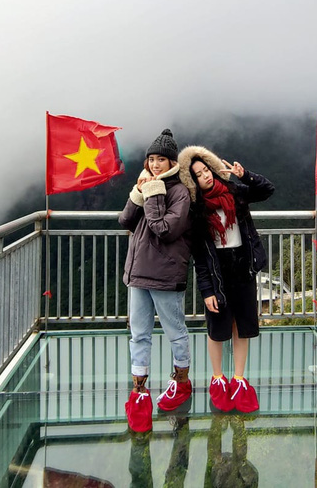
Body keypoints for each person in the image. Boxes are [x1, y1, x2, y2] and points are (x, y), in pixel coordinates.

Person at [178, 146, 274, 413]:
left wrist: (245, 175)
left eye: (206, 170)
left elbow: (267, 190)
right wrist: (207, 290)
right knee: (217, 327)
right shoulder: (196, 210)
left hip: (242, 266)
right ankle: (218, 378)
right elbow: (199, 256)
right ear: (192, 180)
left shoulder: (234, 192)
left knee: (241, 325)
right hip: (217, 270)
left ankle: (239, 379)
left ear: (212, 169)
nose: (205, 176)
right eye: (198, 174)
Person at [119, 129, 193, 433]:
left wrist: (152, 195)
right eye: (151, 159)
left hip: (165, 274)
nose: (155, 164)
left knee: (175, 331)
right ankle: (140, 392)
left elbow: (164, 229)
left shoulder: (180, 193)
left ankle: (182, 383)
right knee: (139, 334)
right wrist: (138, 194)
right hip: (138, 274)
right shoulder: (150, 184)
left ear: (172, 161)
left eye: (161, 159)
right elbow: (125, 221)